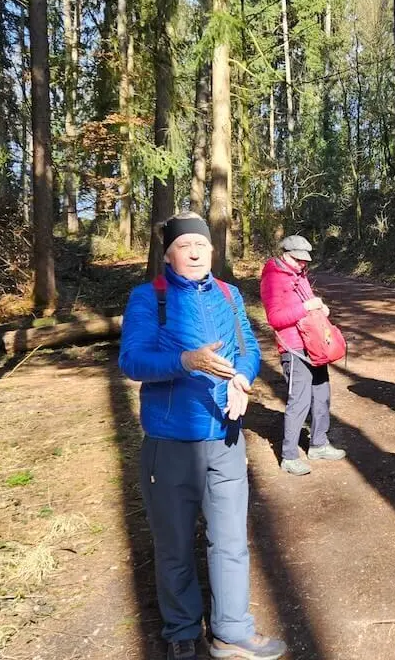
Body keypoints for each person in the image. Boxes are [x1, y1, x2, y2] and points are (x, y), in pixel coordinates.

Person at [118, 212, 287, 660]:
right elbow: (132, 361)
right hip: (170, 444)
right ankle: (181, 632)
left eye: (202, 245)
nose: (194, 253)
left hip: (227, 440)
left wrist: (243, 380)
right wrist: (185, 361)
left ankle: (232, 630)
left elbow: (249, 349)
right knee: (174, 543)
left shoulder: (230, 295)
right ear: (168, 253)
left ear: (213, 250)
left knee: (231, 540)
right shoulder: (147, 299)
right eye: (184, 246)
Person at [260, 234, 347, 476]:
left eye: (305, 260)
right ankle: (289, 456)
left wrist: (320, 308)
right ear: (285, 254)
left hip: (315, 345)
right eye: (298, 259)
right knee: (299, 401)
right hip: (293, 348)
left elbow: (308, 303)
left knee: (322, 395)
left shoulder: (300, 275)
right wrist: (306, 308)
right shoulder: (273, 277)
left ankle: (318, 444)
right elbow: (275, 319)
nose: (302, 264)